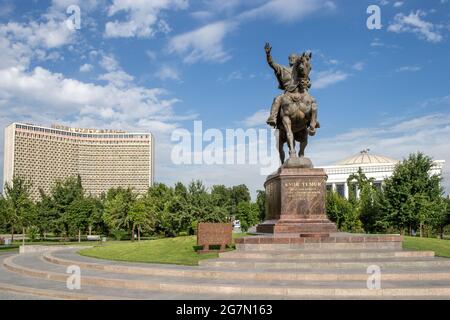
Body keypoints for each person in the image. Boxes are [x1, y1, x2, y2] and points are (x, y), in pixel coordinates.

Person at [265, 42, 299, 127]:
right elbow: (272, 63)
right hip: (288, 92)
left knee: (311, 101)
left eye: (294, 58)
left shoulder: (300, 71)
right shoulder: (283, 69)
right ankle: (272, 117)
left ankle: (313, 121)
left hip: (299, 91)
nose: (292, 59)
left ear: (297, 60)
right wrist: (268, 54)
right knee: (277, 99)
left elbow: (306, 80)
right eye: (290, 58)